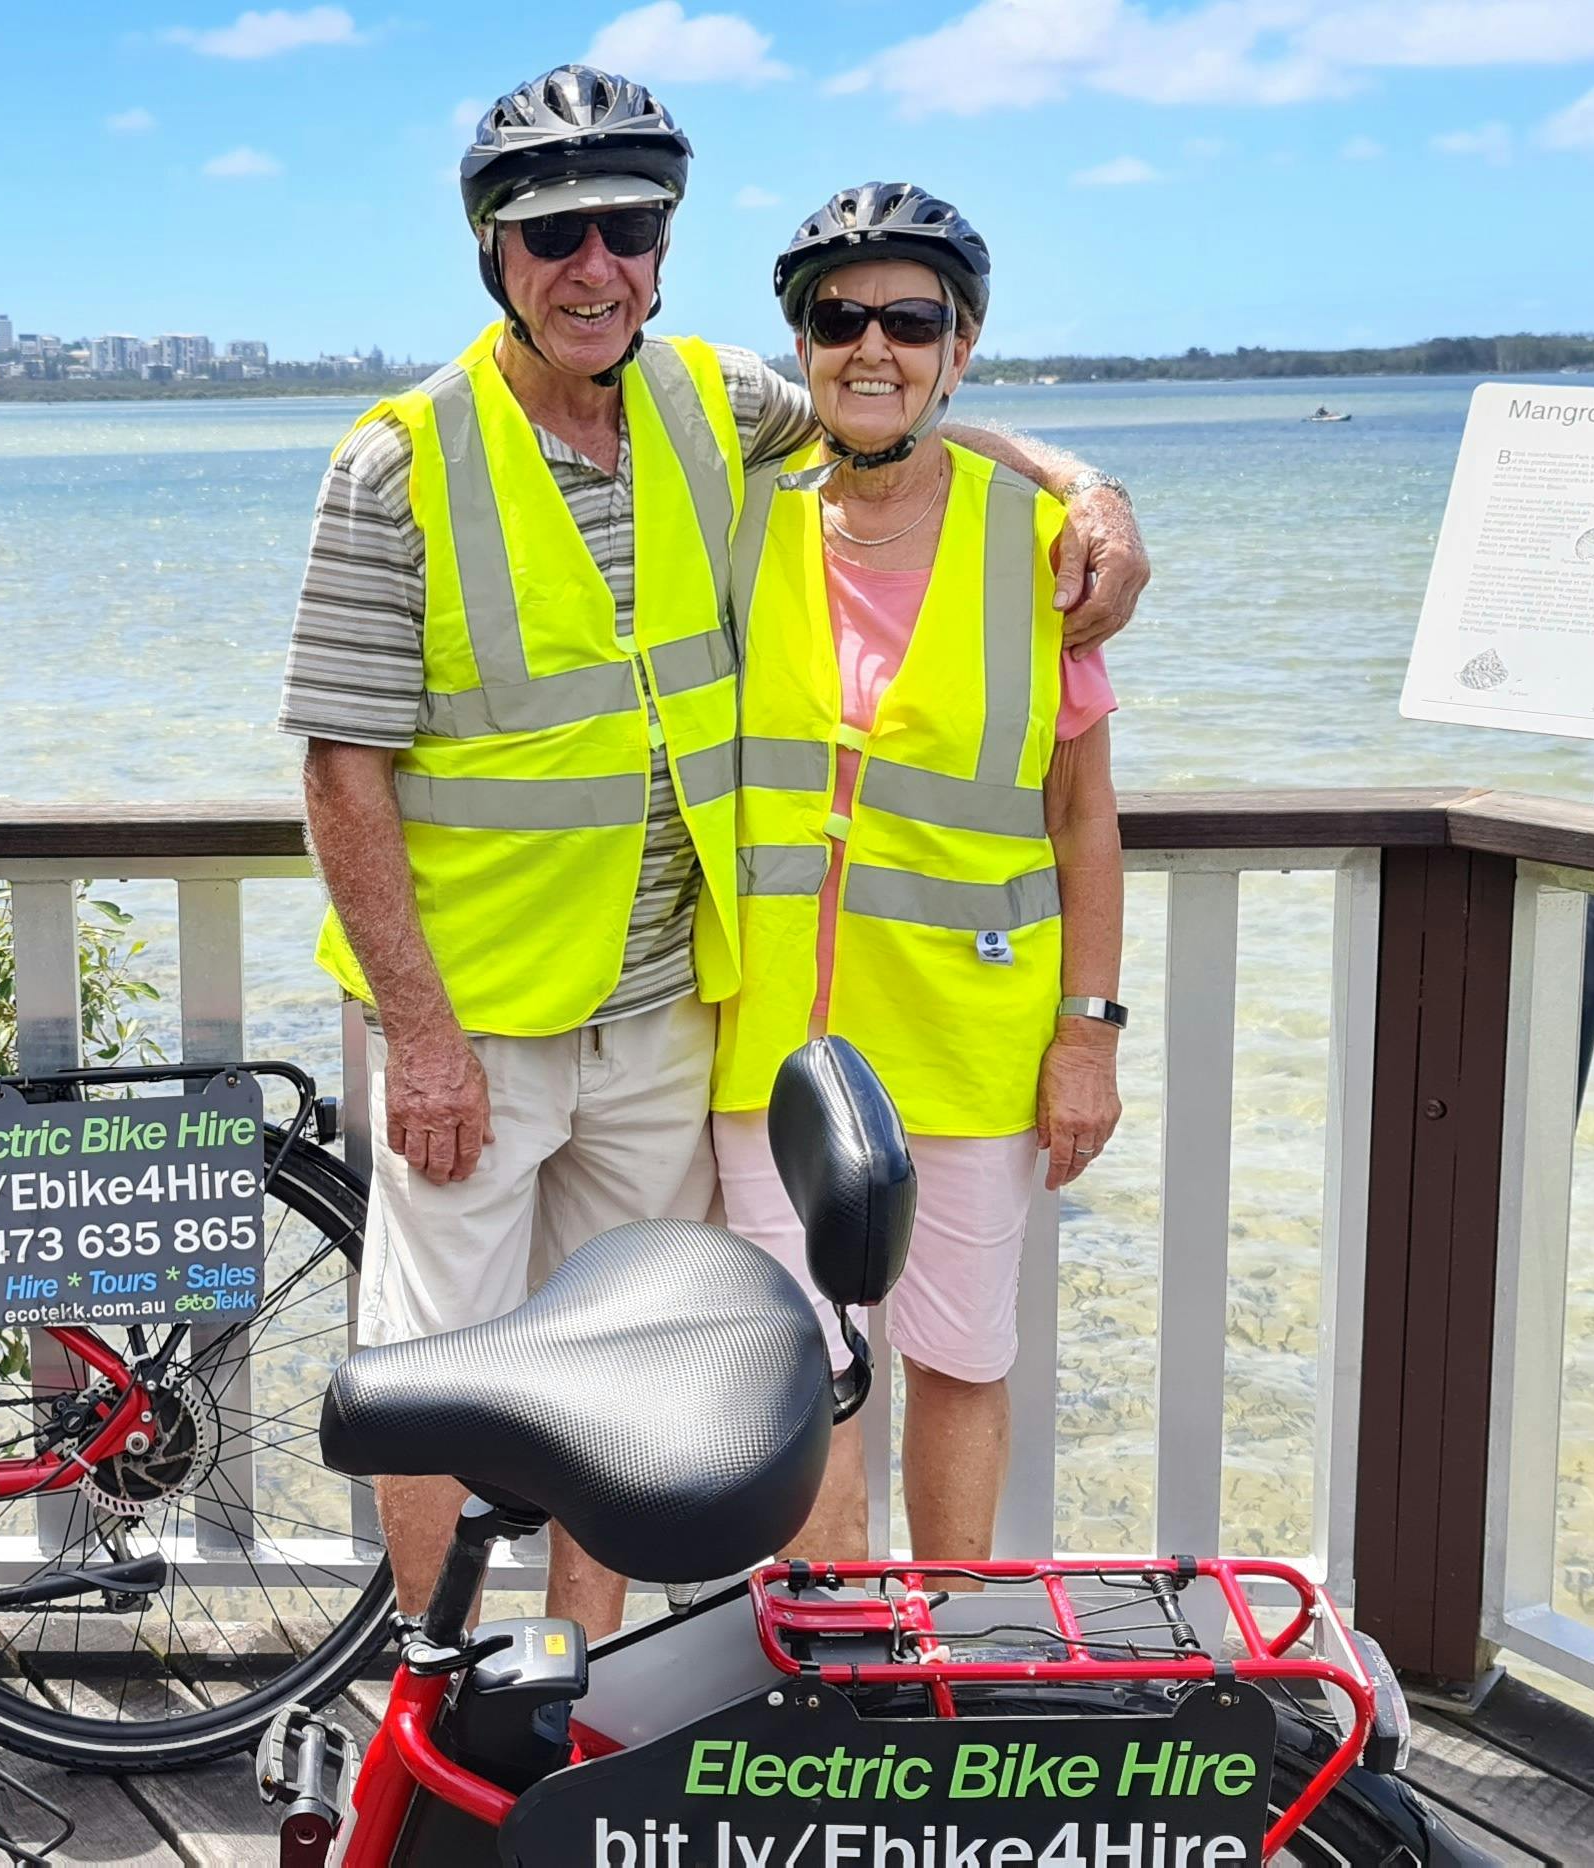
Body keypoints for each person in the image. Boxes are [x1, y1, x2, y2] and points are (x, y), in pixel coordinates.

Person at [277, 70, 1149, 1632]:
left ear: (665, 247)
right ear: (495, 254)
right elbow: (341, 773)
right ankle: (443, 1704)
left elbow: (900, 409)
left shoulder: (711, 404)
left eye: (625, 227)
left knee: (624, 1382)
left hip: (673, 1009)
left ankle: (581, 1692)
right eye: (553, 231)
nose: (591, 262)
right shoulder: (396, 463)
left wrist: (1091, 487)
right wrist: (417, 1032)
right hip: (473, 1021)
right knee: (434, 1376)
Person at [706, 183, 1128, 1563]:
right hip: (774, 1045)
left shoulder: (1040, 546)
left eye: (910, 320)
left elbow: (1083, 817)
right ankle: (828, 1675)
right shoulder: (737, 522)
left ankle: (938, 1668)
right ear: (801, 344)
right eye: (839, 319)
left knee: (958, 1355)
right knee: (796, 1380)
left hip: (970, 1039)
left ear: (962, 345)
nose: (871, 347)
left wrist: (1090, 1036)